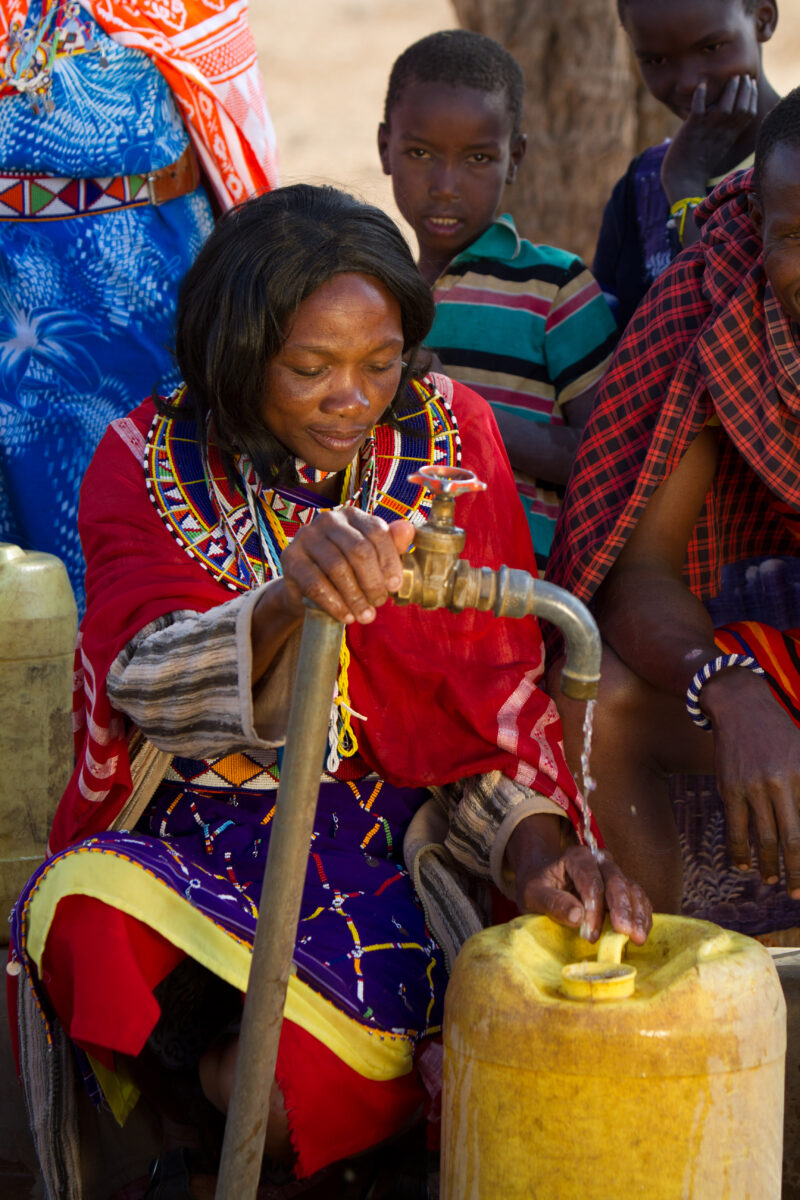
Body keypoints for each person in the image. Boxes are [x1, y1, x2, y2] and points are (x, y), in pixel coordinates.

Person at [9, 184, 651, 1196]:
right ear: (235, 353)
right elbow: (144, 683)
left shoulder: (450, 448)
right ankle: (219, 1094)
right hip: (194, 832)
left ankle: (246, 1109)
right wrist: (280, 606)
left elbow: (488, 710)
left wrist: (537, 850)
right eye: (309, 368)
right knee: (87, 919)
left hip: (386, 845)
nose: (350, 396)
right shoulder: (145, 459)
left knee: (300, 1083)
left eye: (378, 362)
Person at [546, 88, 800, 931]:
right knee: (596, 696)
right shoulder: (725, 308)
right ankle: (660, 996)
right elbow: (639, 568)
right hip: (783, 644)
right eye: (794, 239)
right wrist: (726, 686)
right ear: (758, 230)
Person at [0, 0, 278, 611]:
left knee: (145, 485)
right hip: (13, 293)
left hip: (138, 284)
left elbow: (223, 113)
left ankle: (137, 680)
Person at [378, 29, 618, 572]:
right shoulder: (374, 292)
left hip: (516, 583)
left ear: (515, 159)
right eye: (420, 153)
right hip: (394, 579)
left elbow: (605, 460)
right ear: (383, 148)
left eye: (478, 159)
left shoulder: (555, 286)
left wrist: (453, 404)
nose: (446, 184)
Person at [594, 0, 780, 330]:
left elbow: (740, 328)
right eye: (656, 60)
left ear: (763, 19)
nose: (689, 83)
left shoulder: (791, 169)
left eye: (712, 47)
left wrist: (684, 185)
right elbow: (611, 342)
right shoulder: (640, 186)